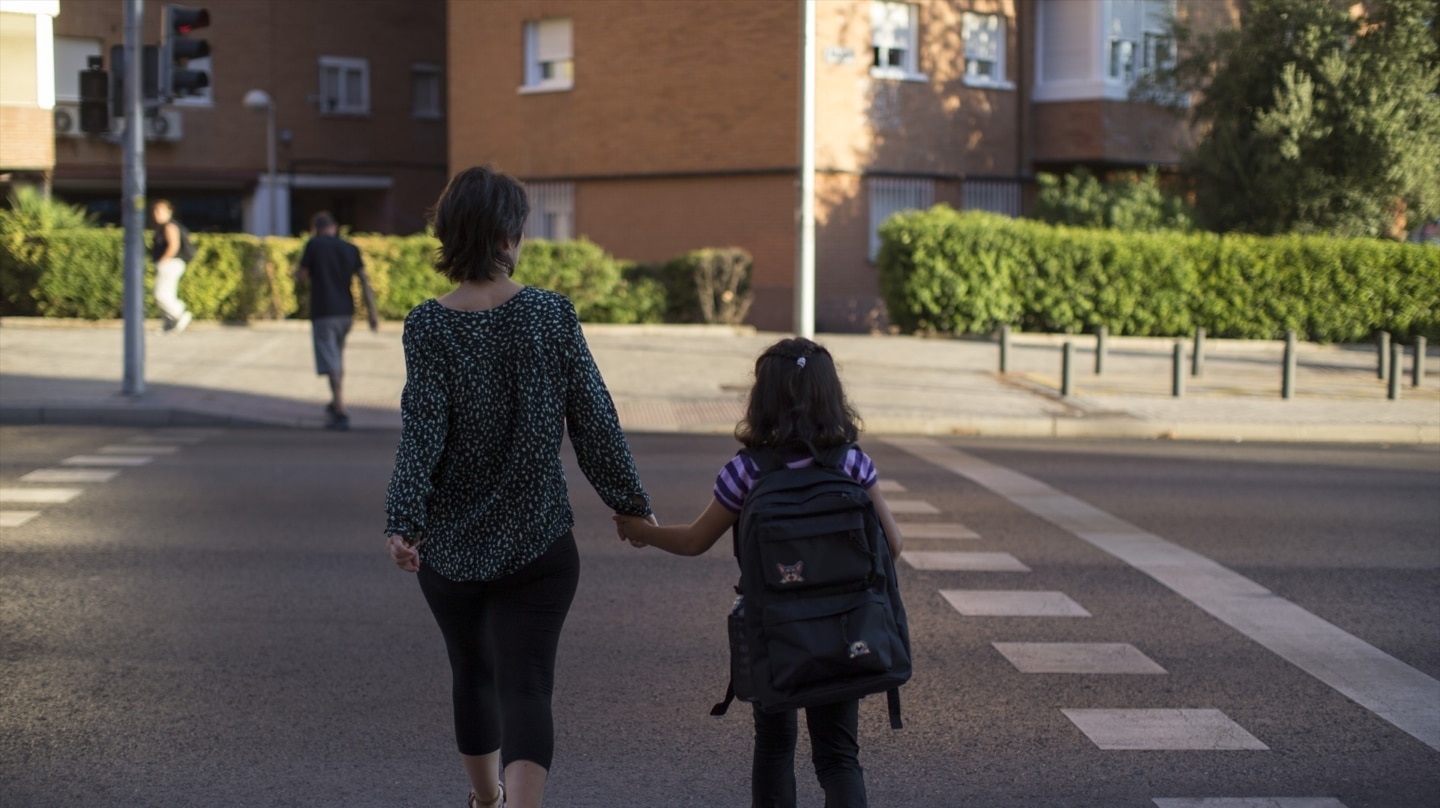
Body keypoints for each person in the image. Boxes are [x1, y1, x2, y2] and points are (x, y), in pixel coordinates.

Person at [383, 165, 655, 808]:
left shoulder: (428, 325)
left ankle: (485, 801)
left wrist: (403, 521)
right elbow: (593, 419)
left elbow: (421, 429)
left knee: (472, 676)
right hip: (539, 543)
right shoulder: (548, 314)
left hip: (449, 549)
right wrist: (629, 506)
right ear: (509, 234)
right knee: (527, 685)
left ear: (450, 233)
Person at [614, 337, 904, 808]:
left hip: (773, 631)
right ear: (833, 396)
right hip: (845, 628)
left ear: (762, 399)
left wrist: (644, 531)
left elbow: (694, 540)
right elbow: (891, 545)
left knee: (774, 748)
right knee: (838, 757)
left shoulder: (746, 471)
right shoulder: (852, 463)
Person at [294, 211, 378, 431]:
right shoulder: (350, 248)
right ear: (335, 227)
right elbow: (364, 281)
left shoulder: (313, 246)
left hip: (323, 312)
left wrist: (297, 277)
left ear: (316, 228)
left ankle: (340, 410)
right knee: (337, 359)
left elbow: (301, 276)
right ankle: (334, 402)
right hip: (346, 313)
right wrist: (372, 313)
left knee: (332, 363)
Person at [150, 199, 193, 333]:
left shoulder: (170, 226)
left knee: (160, 294)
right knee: (168, 293)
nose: (157, 214)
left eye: (160, 211)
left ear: (169, 212)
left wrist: (163, 261)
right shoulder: (162, 227)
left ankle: (180, 314)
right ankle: (169, 323)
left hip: (171, 263)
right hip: (170, 263)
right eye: (155, 211)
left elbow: (174, 246)